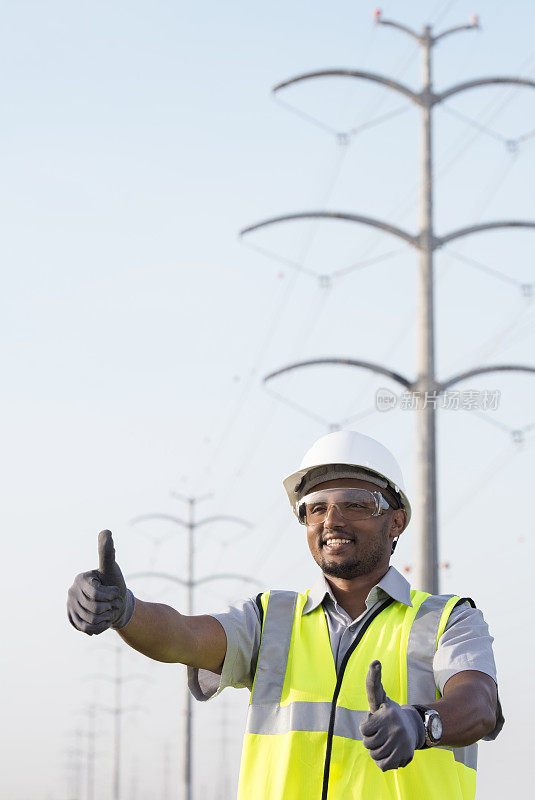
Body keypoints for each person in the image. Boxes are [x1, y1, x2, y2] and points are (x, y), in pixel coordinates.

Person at [67, 430, 502, 800]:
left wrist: (421, 722)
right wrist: (124, 609)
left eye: (355, 504)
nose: (331, 519)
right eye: (316, 507)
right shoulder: (270, 619)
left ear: (396, 522)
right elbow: (183, 636)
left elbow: (479, 705)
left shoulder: (448, 620)